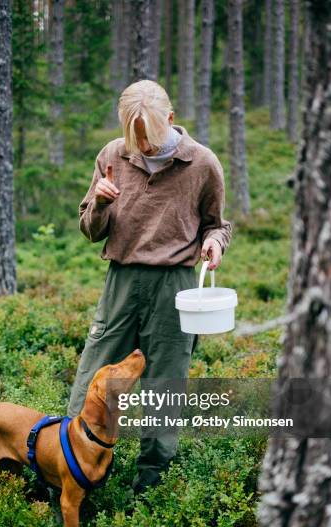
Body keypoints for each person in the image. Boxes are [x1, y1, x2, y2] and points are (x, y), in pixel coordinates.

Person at [67, 80, 232, 494]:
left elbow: (217, 225)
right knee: (92, 379)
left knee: (165, 388)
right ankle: (70, 476)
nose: (141, 145)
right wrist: (100, 203)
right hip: (121, 283)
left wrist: (214, 243)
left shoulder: (203, 164)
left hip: (175, 288)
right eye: (133, 137)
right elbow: (90, 230)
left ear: (170, 120)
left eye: (150, 137)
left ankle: (150, 489)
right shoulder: (111, 155)